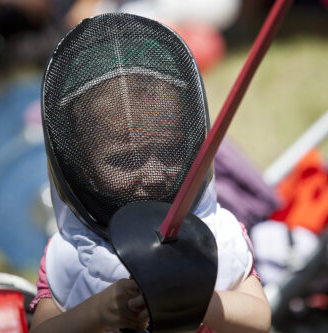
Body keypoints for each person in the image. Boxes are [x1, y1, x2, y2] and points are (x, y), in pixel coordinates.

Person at [30, 12, 271, 333]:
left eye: (169, 151)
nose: (155, 174)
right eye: (125, 161)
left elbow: (259, 320)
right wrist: (100, 311)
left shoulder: (219, 234)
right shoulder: (73, 253)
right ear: (81, 167)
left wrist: (200, 300)